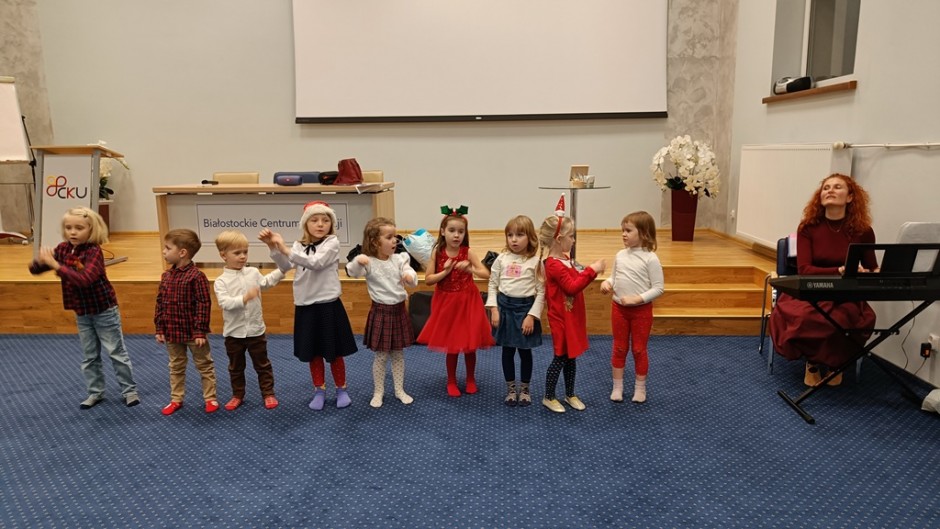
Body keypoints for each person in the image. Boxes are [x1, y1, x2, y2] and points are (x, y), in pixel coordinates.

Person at [769, 173, 878, 386]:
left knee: (846, 318)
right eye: (826, 188)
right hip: (810, 290)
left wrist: (873, 271)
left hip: (846, 294)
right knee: (806, 318)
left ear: (850, 197)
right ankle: (813, 363)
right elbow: (804, 270)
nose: (830, 191)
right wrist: (839, 270)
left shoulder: (863, 231)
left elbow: (871, 266)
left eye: (837, 187)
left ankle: (836, 363)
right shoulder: (808, 227)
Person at [28, 207, 140, 410]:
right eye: (68, 227)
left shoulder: (93, 251)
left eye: (79, 228)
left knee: (116, 352)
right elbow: (37, 270)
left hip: (104, 310)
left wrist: (56, 265)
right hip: (82, 311)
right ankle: (95, 392)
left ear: (91, 229)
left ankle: (129, 390)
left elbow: (84, 279)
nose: (73, 232)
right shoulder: (63, 249)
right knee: (89, 356)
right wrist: (39, 261)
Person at [259, 201, 358, 410]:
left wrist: (284, 248)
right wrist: (273, 247)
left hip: (328, 304)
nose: (320, 224)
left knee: (334, 352)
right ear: (306, 224)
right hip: (305, 305)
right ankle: (319, 390)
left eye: (325, 220)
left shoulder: (332, 243)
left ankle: (341, 389)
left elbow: (315, 263)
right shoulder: (298, 246)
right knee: (313, 352)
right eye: (314, 220)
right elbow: (285, 265)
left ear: (331, 224)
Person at [416, 205, 494, 397]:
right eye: (452, 230)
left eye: (461, 231)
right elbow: (428, 280)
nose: (456, 235)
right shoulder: (437, 253)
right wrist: (446, 271)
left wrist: (471, 269)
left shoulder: (467, 252)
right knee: (452, 344)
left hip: (468, 301)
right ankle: (451, 380)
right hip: (447, 302)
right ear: (443, 231)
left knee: (469, 344)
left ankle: (470, 379)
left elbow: (486, 274)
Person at [538, 195, 606, 413]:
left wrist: (585, 269)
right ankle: (549, 396)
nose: (574, 240)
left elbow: (574, 278)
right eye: (571, 236)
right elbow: (572, 287)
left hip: (571, 317)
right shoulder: (554, 265)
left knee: (571, 357)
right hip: (561, 320)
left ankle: (570, 393)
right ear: (559, 239)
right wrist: (592, 270)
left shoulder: (564, 260)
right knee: (560, 357)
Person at [345, 217, 418, 408]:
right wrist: (358, 261)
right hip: (381, 313)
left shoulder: (400, 259)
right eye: (389, 237)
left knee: (398, 354)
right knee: (381, 356)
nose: (395, 240)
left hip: (398, 311)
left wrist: (409, 276)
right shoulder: (369, 262)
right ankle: (378, 392)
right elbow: (352, 272)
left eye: (395, 236)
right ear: (375, 242)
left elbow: (411, 276)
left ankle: (399, 390)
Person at [213, 230, 285, 411]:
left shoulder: (253, 272)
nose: (243, 256)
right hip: (233, 333)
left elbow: (266, 282)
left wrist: (282, 270)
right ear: (223, 255)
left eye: (245, 252)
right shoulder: (221, 281)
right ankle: (237, 395)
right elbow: (225, 303)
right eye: (237, 253)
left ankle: (268, 393)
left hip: (255, 330)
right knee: (236, 367)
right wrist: (245, 298)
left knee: (263, 365)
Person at [600, 211, 664, 403]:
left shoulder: (650, 258)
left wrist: (638, 299)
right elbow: (614, 276)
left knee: (638, 349)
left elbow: (658, 288)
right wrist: (607, 282)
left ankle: (640, 388)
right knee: (619, 347)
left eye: (628, 231)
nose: (623, 234)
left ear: (644, 233)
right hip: (619, 309)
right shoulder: (620, 255)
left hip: (641, 312)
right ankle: (617, 387)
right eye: (623, 230)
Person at [155, 228, 218, 415]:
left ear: (182, 252)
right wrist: (159, 328)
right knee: (175, 366)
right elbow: (160, 303)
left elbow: (203, 304)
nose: (164, 251)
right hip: (172, 332)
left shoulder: (197, 276)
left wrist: (200, 331)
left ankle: (210, 397)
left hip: (193, 333)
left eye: (168, 248)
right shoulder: (166, 276)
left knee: (204, 364)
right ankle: (176, 399)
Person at [485, 215, 545, 406]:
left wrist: (531, 316)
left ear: (530, 237)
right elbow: (492, 284)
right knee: (507, 351)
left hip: (525, 311)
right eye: (510, 235)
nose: (514, 239)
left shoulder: (535, 262)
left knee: (525, 352)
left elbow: (541, 291)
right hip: (504, 310)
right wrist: (494, 309)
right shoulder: (501, 259)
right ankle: (511, 389)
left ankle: (525, 389)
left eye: (519, 235)